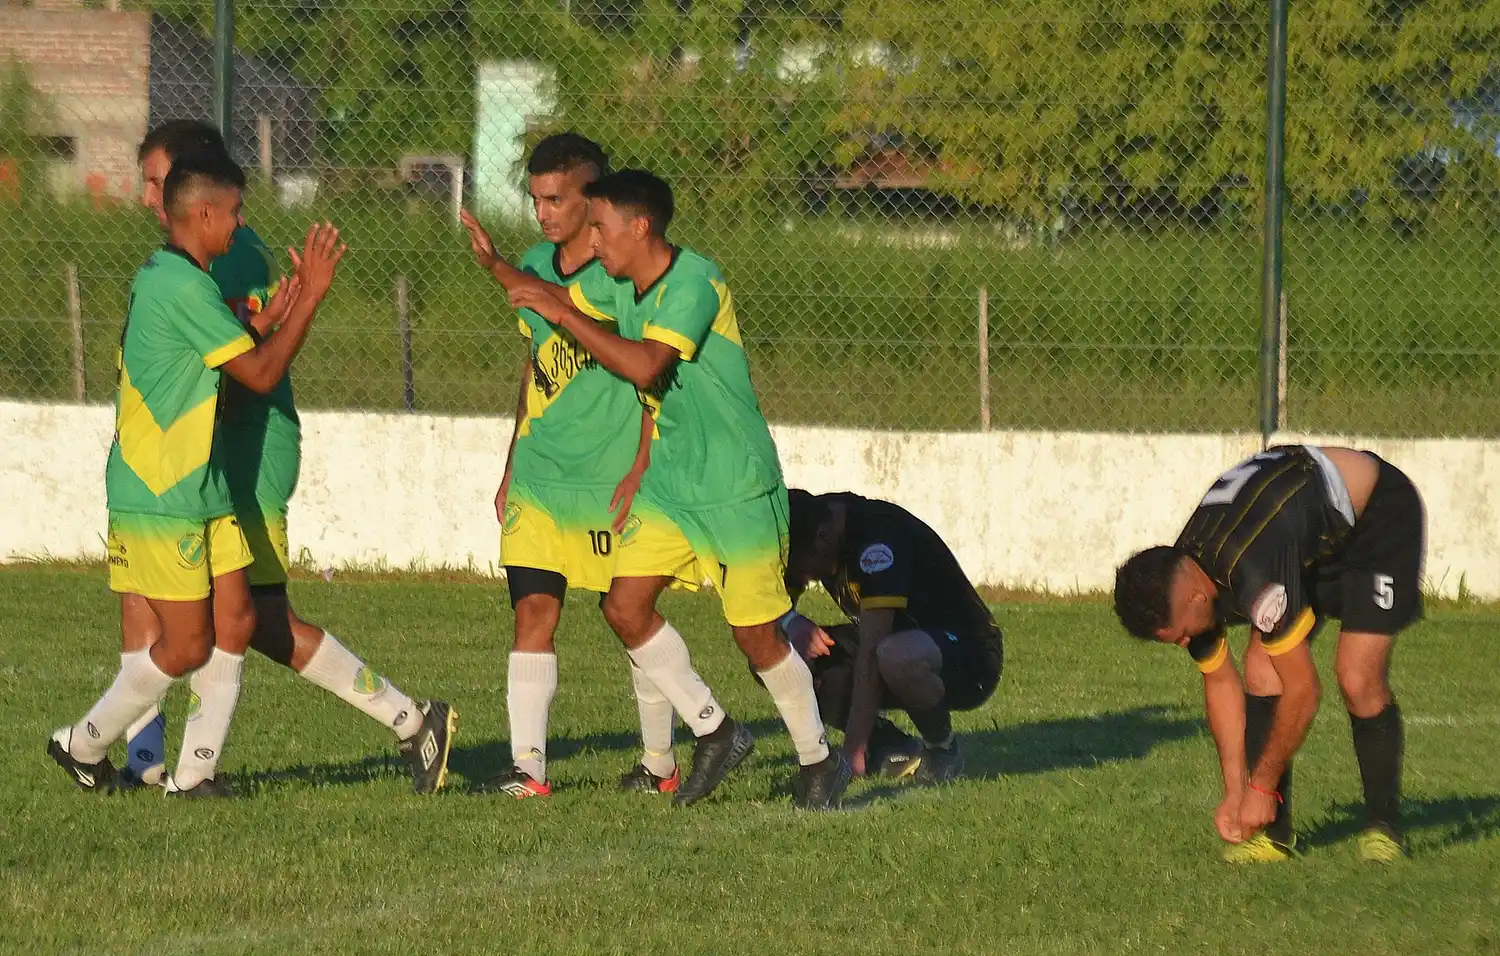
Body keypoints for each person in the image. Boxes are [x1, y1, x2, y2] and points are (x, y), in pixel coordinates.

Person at [467, 169, 848, 809]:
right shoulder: (620, 284)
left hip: (734, 485)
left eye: (600, 228)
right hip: (670, 485)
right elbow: (551, 298)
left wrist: (563, 313)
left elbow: (646, 364)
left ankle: (819, 759)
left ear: (639, 227)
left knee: (755, 635)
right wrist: (497, 266)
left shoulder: (695, 282)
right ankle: (716, 730)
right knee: (624, 606)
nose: (592, 241)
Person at [113, 121, 456, 796]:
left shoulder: (230, 254)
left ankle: (409, 720)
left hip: (242, 451)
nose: (150, 197)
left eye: (158, 181)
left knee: (252, 619)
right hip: (193, 462)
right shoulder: (171, 264)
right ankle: (148, 762)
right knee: (158, 603)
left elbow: (246, 372)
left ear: (195, 192)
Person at [47, 152, 341, 795]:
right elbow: (260, 374)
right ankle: (81, 743)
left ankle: (196, 774)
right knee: (186, 646)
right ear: (204, 213)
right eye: (234, 211)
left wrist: (271, 316)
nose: (239, 223)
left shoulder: (176, 275)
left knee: (236, 620)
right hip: (161, 490)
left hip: (203, 485)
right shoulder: (182, 285)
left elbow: (219, 347)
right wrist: (312, 297)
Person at [466, 133, 667, 798]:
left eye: (556, 199)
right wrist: (510, 464)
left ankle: (661, 763)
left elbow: (652, 376)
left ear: (593, 198)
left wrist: (644, 462)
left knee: (627, 614)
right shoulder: (532, 262)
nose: (543, 212)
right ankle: (529, 770)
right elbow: (534, 367)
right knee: (532, 611)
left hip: (608, 478)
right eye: (536, 200)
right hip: (540, 474)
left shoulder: (624, 278)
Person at [1113, 445, 1422, 863]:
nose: (1185, 644)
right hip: (1308, 541)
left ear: (1196, 598)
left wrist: (1261, 785)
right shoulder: (1186, 573)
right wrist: (1236, 792)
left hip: (1375, 523)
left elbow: (1304, 692)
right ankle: (1274, 837)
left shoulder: (1250, 573)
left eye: (1182, 635)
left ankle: (1384, 828)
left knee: (1356, 677)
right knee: (1260, 670)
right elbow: (1220, 683)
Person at [781, 489, 1004, 783]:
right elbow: (765, 617)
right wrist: (790, 622)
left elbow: (872, 650)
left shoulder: (876, 540)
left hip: (969, 653)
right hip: (891, 643)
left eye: (801, 567)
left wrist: (853, 749)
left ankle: (941, 747)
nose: (804, 578)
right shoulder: (813, 521)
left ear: (822, 539)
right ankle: (891, 746)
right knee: (780, 656)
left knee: (895, 655)